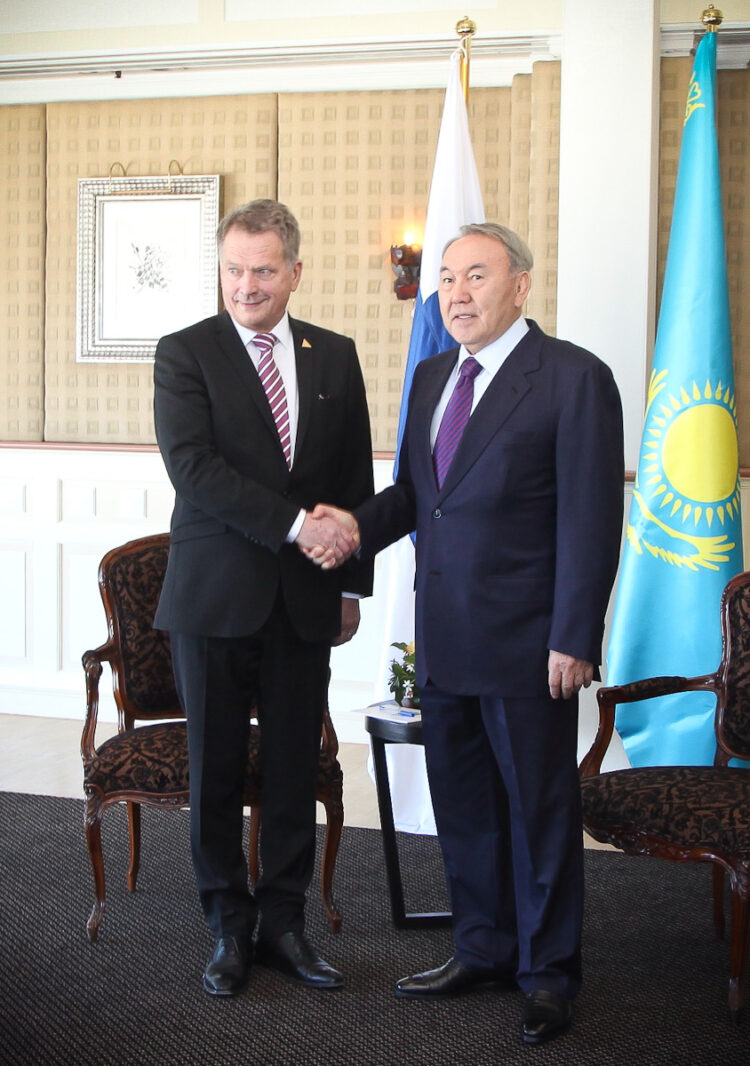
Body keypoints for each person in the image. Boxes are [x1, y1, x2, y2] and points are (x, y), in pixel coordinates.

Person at [308, 223, 624, 1045]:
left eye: (475, 276)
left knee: (539, 815)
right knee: (467, 809)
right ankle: (481, 948)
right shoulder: (433, 375)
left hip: (531, 646)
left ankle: (547, 974)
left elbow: (593, 519)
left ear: (520, 285)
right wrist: (352, 527)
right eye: (447, 278)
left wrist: (574, 634)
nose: (456, 292)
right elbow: (414, 496)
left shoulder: (573, 378)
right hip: (443, 638)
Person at [152, 198, 374, 997]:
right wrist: (294, 527)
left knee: (291, 768)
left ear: (294, 272)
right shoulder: (185, 353)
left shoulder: (335, 355)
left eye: (263, 270)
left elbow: (353, 476)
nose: (246, 285)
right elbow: (195, 472)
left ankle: (284, 923)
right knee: (212, 771)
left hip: (306, 600)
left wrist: (350, 578)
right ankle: (226, 927)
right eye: (234, 270)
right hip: (214, 599)